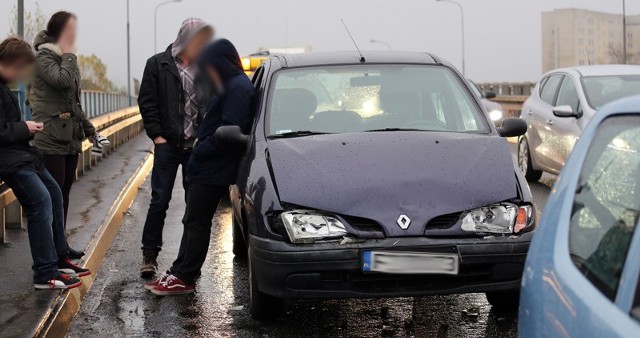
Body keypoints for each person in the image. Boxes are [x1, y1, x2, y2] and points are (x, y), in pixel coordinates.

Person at [145, 39, 255, 295]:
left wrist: (201, 151)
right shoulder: (230, 84)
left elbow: (230, 133)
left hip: (213, 168)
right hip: (207, 166)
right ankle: (179, 270)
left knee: (197, 223)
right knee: (192, 220)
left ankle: (185, 277)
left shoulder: (238, 88)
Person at [0, 37, 90, 290]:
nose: (22, 75)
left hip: (21, 155)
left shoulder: (4, 86)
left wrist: (25, 131)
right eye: (21, 68)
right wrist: (23, 127)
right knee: (40, 201)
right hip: (9, 161)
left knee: (54, 194)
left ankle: (60, 257)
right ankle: (44, 272)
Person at [138, 18, 214, 277]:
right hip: (168, 144)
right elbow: (147, 101)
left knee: (194, 205)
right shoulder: (157, 64)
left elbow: (213, 102)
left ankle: (186, 261)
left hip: (196, 146)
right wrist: (156, 135)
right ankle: (150, 255)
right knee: (159, 200)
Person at [30, 11, 104, 259]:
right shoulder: (43, 56)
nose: (75, 34)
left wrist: (90, 130)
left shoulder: (63, 58)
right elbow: (61, 81)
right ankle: (51, 251)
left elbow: (74, 101)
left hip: (70, 138)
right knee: (53, 194)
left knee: (64, 193)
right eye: (71, 29)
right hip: (49, 138)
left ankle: (60, 247)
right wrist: (70, 54)